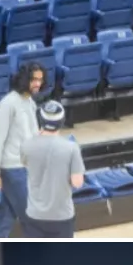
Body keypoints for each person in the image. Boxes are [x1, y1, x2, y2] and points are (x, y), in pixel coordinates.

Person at [0, 61, 44, 238]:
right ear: (24, 79)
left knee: (6, 216)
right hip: (13, 168)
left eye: (40, 80)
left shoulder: (30, 102)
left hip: (25, 167)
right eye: (34, 79)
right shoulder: (7, 104)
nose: (38, 84)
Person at [22, 100, 85, 239]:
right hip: (62, 216)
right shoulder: (71, 148)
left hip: (35, 215)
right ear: (62, 121)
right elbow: (77, 183)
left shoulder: (27, 145)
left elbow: (25, 164)